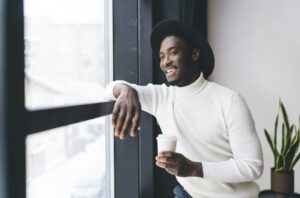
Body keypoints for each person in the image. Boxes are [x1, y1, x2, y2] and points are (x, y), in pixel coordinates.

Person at [104, 20, 263, 198]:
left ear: (194, 54)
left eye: (173, 53)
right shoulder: (161, 97)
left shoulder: (230, 101)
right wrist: (126, 90)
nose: (166, 62)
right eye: (162, 56)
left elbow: (252, 166)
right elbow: (110, 89)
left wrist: (194, 168)